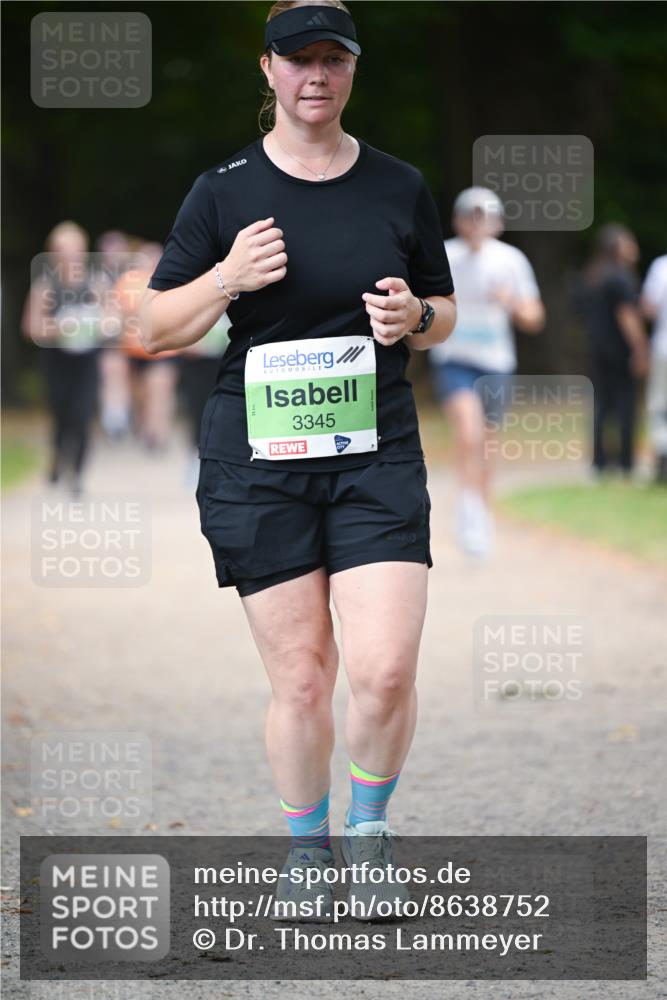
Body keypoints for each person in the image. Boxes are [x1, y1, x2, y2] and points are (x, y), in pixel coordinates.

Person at [140, 0, 456, 922]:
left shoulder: (397, 185)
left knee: (386, 667)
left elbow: (442, 310)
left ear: (352, 71)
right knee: (304, 677)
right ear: (267, 71)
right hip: (258, 460)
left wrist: (417, 321)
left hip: (375, 452)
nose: (315, 76)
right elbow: (157, 328)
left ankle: (368, 831)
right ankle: (306, 848)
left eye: (332, 59)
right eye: (297, 60)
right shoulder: (224, 192)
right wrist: (227, 277)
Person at [428, 188, 544, 556]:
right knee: (468, 432)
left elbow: (534, 318)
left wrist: (509, 301)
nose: (477, 223)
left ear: (497, 222)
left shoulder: (511, 260)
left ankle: (482, 508)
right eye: (470, 215)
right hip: (454, 358)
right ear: (458, 220)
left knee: (487, 442)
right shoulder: (445, 255)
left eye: (485, 216)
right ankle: (468, 506)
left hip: (495, 363)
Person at [21, 221, 106, 495]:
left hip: (87, 362)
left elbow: (114, 319)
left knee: (82, 416)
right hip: (56, 361)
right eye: (63, 250)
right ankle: (58, 457)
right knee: (61, 416)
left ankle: (77, 474)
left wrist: (95, 324)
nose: (70, 256)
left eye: (75, 250)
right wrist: (61, 327)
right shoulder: (45, 287)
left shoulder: (95, 283)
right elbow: (31, 327)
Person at [575, 223, 650, 478]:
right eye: (629, 242)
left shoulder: (593, 275)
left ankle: (599, 462)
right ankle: (627, 462)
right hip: (619, 349)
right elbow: (627, 316)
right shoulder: (620, 277)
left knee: (602, 404)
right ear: (617, 247)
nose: (634, 246)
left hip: (597, 346)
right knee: (626, 403)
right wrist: (640, 347)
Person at [116, 242, 182, 451]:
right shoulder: (127, 282)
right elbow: (117, 314)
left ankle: (157, 434)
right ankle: (144, 426)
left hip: (164, 351)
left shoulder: (172, 280)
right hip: (134, 351)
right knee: (141, 395)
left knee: (160, 389)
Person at [640, 254, 667, 483]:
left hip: (664, 346)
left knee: (659, 404)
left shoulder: (661, 266)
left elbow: (649, 308)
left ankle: (662, 458)